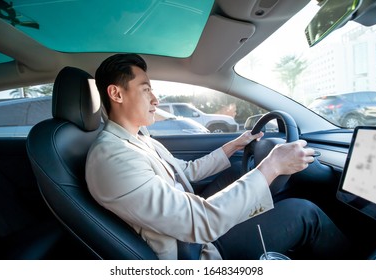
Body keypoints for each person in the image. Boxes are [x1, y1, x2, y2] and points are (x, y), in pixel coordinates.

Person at [86, 53, 352, 260]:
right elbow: (200, 222)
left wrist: (233, 146)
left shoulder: (137, 138)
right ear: (116, 93)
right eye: (146, 89)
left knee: (241, 174)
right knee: (305, 213)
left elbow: (186, 172)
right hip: (195, 251)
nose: (155, 99)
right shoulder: (112, 157)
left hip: (190, 225)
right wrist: (272, 165)